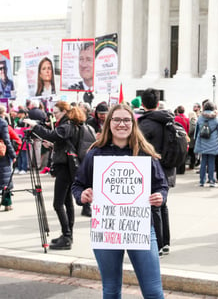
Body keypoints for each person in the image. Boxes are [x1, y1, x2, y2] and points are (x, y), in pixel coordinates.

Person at [72, 103, 168, 299]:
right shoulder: (95, 154)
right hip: (107, 228)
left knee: (153, 292)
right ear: (109, 123)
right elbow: (77, 185)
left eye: (126, 120)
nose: (121, 124)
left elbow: (161, 186)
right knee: (111, 290)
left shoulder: (145, 153)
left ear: (133, 124)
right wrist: (82, 196)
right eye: (116, 119)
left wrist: (160, 197)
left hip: (139, 228)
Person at [24, 101, 86, 249]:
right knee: (67, 203)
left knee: (58, 204)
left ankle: (67, 237)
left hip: (65, 168)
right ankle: (67, 235)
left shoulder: (67, 124)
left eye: (56, 112)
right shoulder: (69, 124)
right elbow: (63, 142)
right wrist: (52, 145)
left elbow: (52, 135)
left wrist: (34, 125)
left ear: (64, 111)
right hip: (67, 166)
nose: (54, 115)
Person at [137, 88, 175, 257]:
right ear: (158, 103)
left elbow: (139, 148)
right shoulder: (168, 119)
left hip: (151, 168)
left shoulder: (144, 124)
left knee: (155, 207)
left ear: (142, 104)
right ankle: (166, 242)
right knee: (163, 205)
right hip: (167, 167)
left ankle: (158, 244)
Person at [194, 101, 218, 187]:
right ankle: (211, 181)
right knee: (211, 162)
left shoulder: (200, 117)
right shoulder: (216, 117)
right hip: (213, 142)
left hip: (202, 142)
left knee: (203, 162)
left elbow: (197, 129)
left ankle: (201, 181)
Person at [0, 104, 16, 211]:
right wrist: (13, 154)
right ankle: (7, 204)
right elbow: (7, 140)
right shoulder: (2, 123)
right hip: (2, 154)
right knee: (6, 180)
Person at [175, 105, 189, 174]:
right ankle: (182, 169)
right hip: (185, 137)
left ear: (177, 111)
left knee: (177, 153)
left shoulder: (175, 118)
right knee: (184, 153)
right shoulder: (187, 119)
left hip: (177, 137)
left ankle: (177, 169)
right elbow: (188, 129)